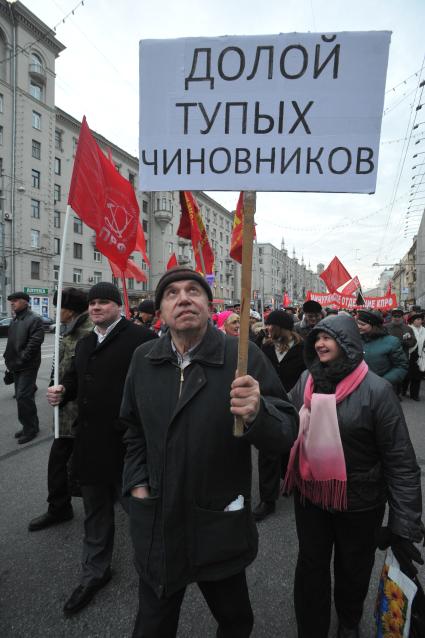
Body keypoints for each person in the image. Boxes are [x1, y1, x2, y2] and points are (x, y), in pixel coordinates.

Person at [120, 266, 298, 638]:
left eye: (193, 291)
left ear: (207, 303)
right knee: (151, 626)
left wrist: (258, 412)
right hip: (158, 521)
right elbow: (132, 429)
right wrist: (137, 485)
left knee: (234, 620)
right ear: (162, 310)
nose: (183, 298)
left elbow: (285, 430)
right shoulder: (143, 358)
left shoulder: (242, 355)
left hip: (217, 520)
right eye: (172, 293)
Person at [284, 314, 423, 638]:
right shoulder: (306, 379)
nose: (319, 343)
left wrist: (404, 524)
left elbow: (400, 461)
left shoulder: (377, 390)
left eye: (328, 337)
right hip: (311, 497)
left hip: (361, 504)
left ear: (348, 342)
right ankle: (311, 628)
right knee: (310, 568)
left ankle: (348, 621)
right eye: (316, 337)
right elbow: (284, 424)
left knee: (353, 570)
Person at [47, 282, 157, 617]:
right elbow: (75, 381)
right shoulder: (84, 342)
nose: (96, 308)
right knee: (95, 514)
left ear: (118, 307)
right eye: (93, 303)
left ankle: (156, 571)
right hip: (90, 445)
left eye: (104, 303)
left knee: (141, 514)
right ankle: (95, 572)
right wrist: (62, 390)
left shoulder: (142, 340)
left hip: (128, 448)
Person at [28, 288, 92, 531]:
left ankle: (77, 506)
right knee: (62, 461)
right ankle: (60, 506)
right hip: (64, 410)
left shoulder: (88, 333)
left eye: (59, 306)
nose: (56, 311)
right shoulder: (67, 331)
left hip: (80, 412)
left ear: (71, 309)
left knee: (68, 461)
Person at [253, 310, 306, 522]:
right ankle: (268, 499)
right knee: (268, 451)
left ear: (282, 328)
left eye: (271, 325)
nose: (267, 328)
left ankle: (289, 479)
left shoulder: (302, 349)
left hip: (295, 406)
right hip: (269, 405)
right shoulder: (265, 347)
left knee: (290, 447)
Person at [3, 291, 44, 444]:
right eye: (11, 301)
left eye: (16, 300)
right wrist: (8, 358)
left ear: (26, 302)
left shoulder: (34, 319)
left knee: (23, 397)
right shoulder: (15, 320)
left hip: (28, 365)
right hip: (16, 365)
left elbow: (34, 343)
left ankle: (31, 429)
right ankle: (29, 425)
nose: (12, 303)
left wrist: (21, 359)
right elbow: (12, 343)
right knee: (23, 398)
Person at [355, 309, 408, 388]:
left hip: (380, 390)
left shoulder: (391, 342)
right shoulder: (354, 339)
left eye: (363, 324)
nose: (358, 326)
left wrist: (383, 382)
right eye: (357, 323)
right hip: (356, 389)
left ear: (374, 326)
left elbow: (401, 366)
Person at [402, 312, 425, 401]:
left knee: (417, 376)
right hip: (410, 354)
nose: (420, 321)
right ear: (412, 321)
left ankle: (414, 394)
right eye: (417, 319)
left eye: (420, 319)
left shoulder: (424, 330)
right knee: (407, 375)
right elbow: (405, 340)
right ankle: (403, 390)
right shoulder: (408, 329)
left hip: (420, 355)